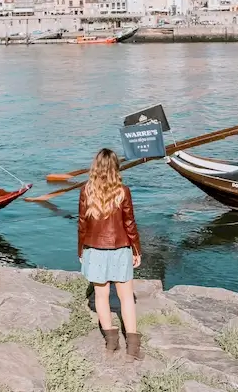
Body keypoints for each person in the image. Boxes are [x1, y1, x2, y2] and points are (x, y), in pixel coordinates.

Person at [78, 148, 143, 360]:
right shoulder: (123, 191)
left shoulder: (86, 191)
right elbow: (129, 223)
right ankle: (133, 348)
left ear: (95, 167)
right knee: (126, 298)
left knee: (101, 296)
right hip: (120, 248)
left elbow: (82, 224)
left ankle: (111, 341)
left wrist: (81, 250)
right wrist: (136, 249)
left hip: (95, 249)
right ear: (116, 167)